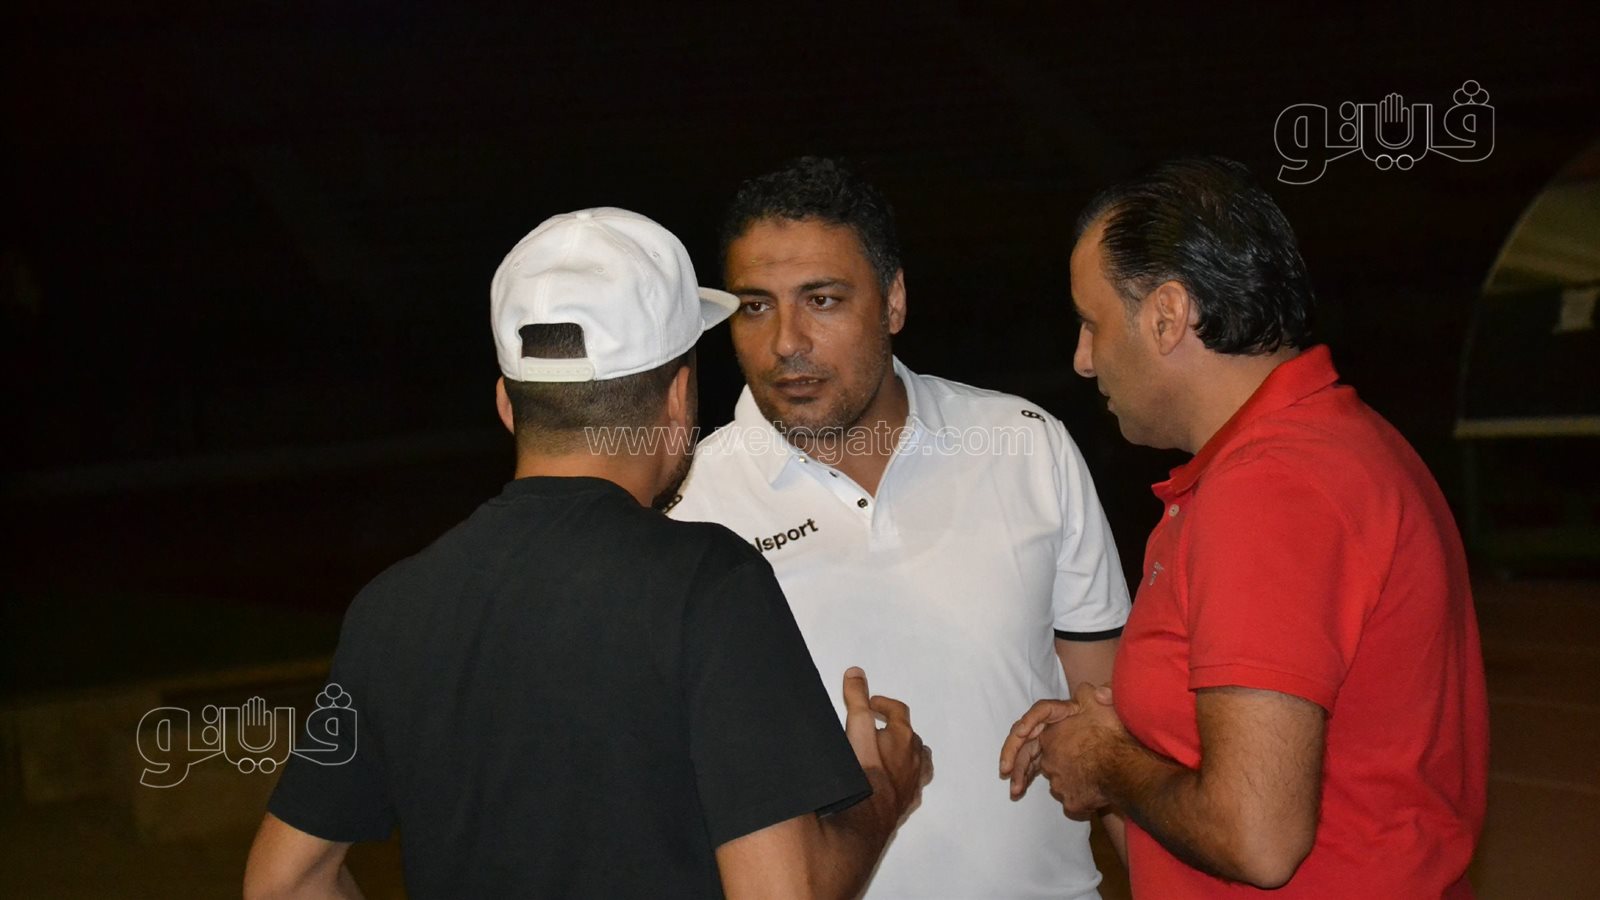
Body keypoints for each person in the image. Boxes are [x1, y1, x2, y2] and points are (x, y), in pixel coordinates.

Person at [243, 207, 930, 899]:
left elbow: (284, 883)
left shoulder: (390, 609)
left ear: (507, 404)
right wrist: (882, 796)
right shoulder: (709, 585)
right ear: (679, 399)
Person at [1000, 157, 1489, 897]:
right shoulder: (1326, 445)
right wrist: (1109, 740)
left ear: (1167, 315)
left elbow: (1256, 836)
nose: (1083, 359)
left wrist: (1106, 763)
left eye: (1093, 323)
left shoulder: (1271, 487)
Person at [668, 157, 1131, 899]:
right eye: (755, 307)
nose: (786, 340)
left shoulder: (1026, 445)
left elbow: (1115, 728)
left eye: (822, 299)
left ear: (893, 301)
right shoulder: (687, 504)